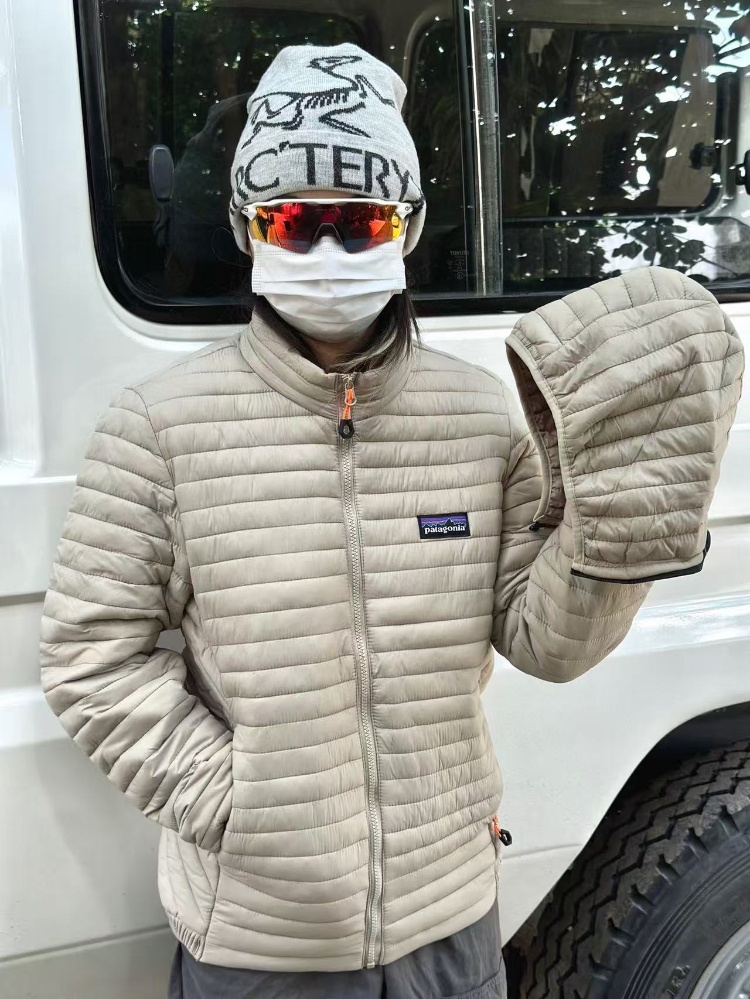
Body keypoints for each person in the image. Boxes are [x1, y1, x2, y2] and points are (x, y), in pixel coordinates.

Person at [39, 43, 655, 998]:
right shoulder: (157, 428)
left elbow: (544, 639)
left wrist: (623, 530)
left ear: (406, 227)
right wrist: (236, 804)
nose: (328, 251)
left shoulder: (479, 414)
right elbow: (91, 657)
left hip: (451, 927)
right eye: (295, 221)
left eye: (360, 222)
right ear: (248, 228)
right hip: (259, 947)